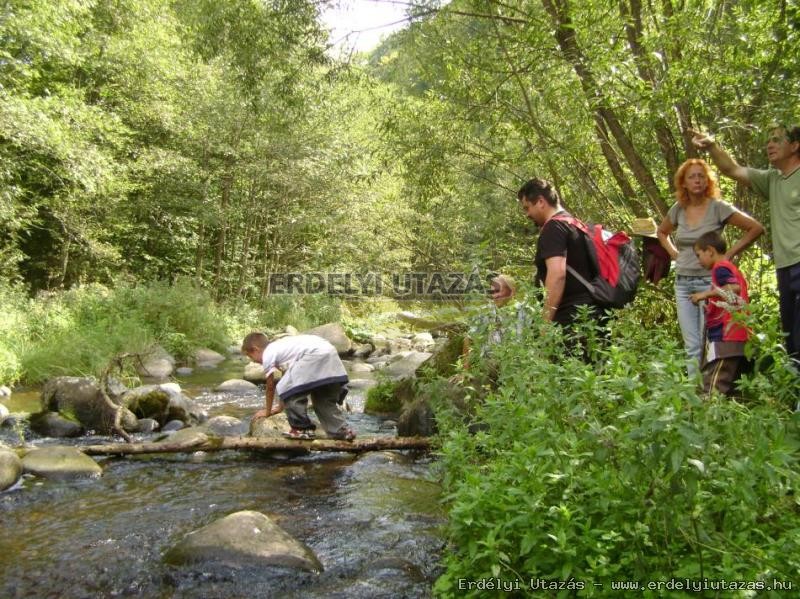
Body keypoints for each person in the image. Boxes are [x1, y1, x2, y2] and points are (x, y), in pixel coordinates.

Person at [692, 124, 800, 362]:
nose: (769, 145)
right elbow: (732, 169)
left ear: (795, 146)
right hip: (784, 266)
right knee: (792, 337)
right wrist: (711, 145)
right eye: (768, 140)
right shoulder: (772, 179)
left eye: (777, 140)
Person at [656, 158, 763, 376]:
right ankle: (693, 396)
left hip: (711, 282)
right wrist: (674, 254)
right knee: (692, 344)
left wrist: (728, 255)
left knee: (712, 341)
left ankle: (712, 391)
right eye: (692, 176)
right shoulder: (679, 209)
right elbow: (661, 232)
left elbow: (755, 228)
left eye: (701, 176)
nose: (697, 180)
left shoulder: (718, 208)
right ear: (683, 183)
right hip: (683, 283)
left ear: (708, 181)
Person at [241, 332, 355, 441]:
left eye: (251, 357)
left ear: (256, 349)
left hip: (314, 354)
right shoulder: (283, 349)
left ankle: (302, 429)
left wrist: (267, 411)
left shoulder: (268, 353)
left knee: (286, 387)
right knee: (323, 400)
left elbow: (270, 387)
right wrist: (280, 407)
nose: (254, 361)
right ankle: (341, 431)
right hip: (329, 353)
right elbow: (289, 382)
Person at [517, 178, 600, 328]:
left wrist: (544, 323)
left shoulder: (553, 228)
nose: (527, 214)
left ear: (541, 201)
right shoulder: (574, 224)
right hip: (593, 314)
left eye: (527, 207)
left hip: (572, 318)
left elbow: (557, 274)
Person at [689, 231, 750, 396]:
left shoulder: (720, 268)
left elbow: (734, 289)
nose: (698, 260)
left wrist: (705, 294)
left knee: (713, 384)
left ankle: (706, 417)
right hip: (739, 336)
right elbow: (732, 297)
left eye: (699, 255)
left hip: (727, 337)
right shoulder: (730, 268)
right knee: (733, 387)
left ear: (710, 250)